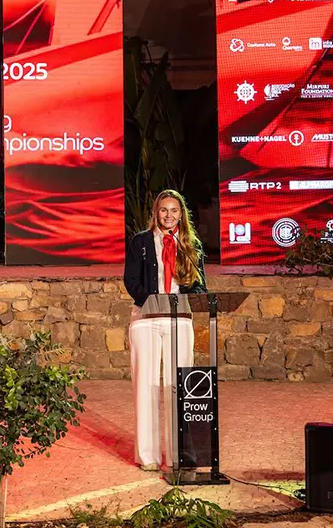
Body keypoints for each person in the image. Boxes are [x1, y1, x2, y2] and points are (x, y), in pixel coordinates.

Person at [123, 189, 207, 472]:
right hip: (146, 319)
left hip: (179, 319)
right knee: (146, 385)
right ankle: (148, 456)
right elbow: (131, 280)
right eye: (163, 210)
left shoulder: (191, 245)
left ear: (181, 214)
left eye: (173, 210)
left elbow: (199, 286)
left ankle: (179, 454)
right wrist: (151, 301)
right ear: (156, 213)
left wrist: (196, 297)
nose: (168, 215)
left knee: (179, 385)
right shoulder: (141, 242)